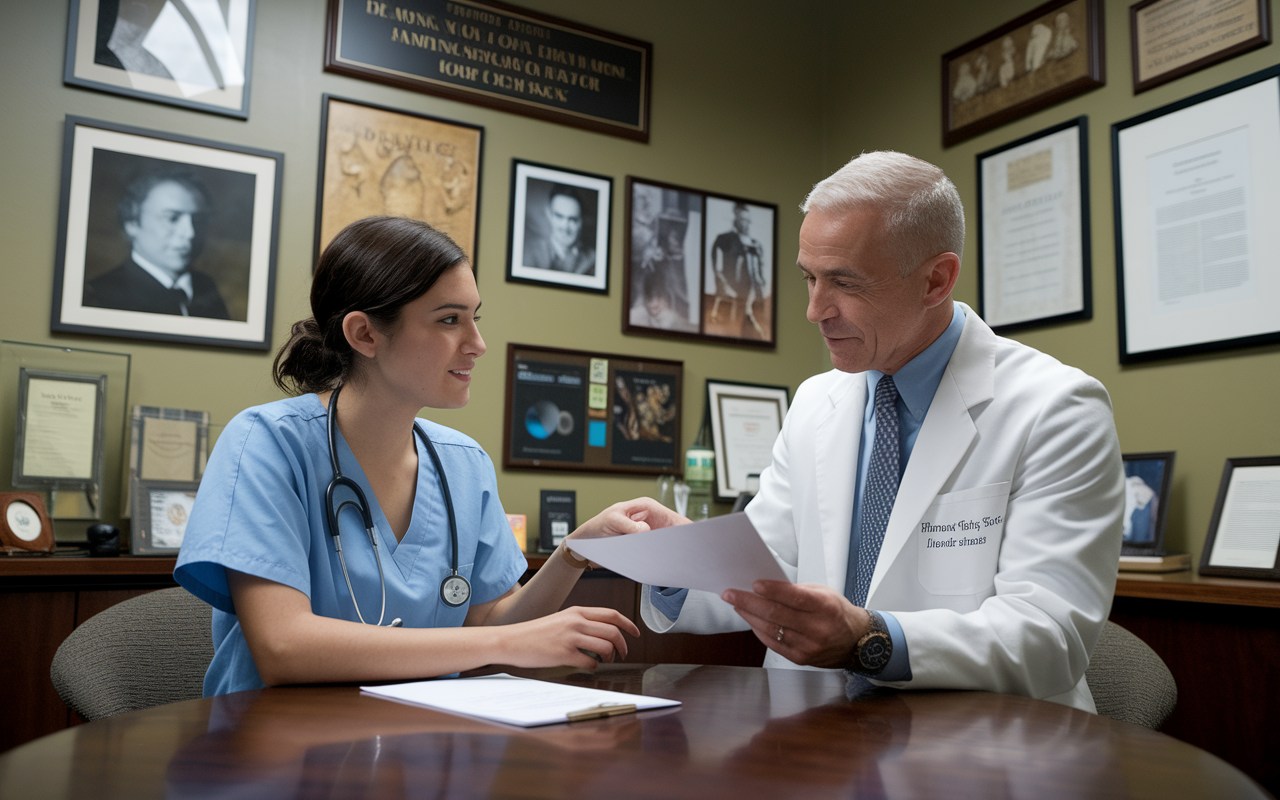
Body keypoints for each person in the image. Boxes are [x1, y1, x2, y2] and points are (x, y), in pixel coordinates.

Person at [640, 152, 1124, 712]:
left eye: (844, 282)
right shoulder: (815, 402)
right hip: (814, 739)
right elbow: (770, 576)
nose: (815, 310)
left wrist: (870, 639)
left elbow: (1050, 638)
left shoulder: (1057, 409)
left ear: (935, 280)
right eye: (810, 279)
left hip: (983, 746)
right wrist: (673, 561)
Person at [175, 216, 667, 696]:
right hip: (274, 754)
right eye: (449, 320)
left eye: (475, 318)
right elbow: (283, 647)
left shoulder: (463, 462)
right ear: (364, 334)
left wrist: (572, 554)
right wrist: (499, 640)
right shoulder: (266, 444)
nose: (477, 344)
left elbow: (495, 624)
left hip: (419, 749)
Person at [84, 169, 230, 319]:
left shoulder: (205, 287)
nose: (190, 233)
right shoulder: (99, 295)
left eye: (198, 220)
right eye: (172, 218)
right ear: (132, 223)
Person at [709, 203, 767, 339]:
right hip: (734, 299)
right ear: (735, 218)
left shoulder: (756, 245)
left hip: (754, 301)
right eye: (742, 219)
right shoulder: (723, 240)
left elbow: (760, 273)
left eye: (748, 220)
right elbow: (717, 269)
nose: (745, 224)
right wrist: (726, 289)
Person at [523, 184, 595, 274]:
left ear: (581, 221)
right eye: (559, 216)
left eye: (573, 219)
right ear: (549, 214)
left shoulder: (593, 260)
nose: (565, 227)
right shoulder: (529, 255)